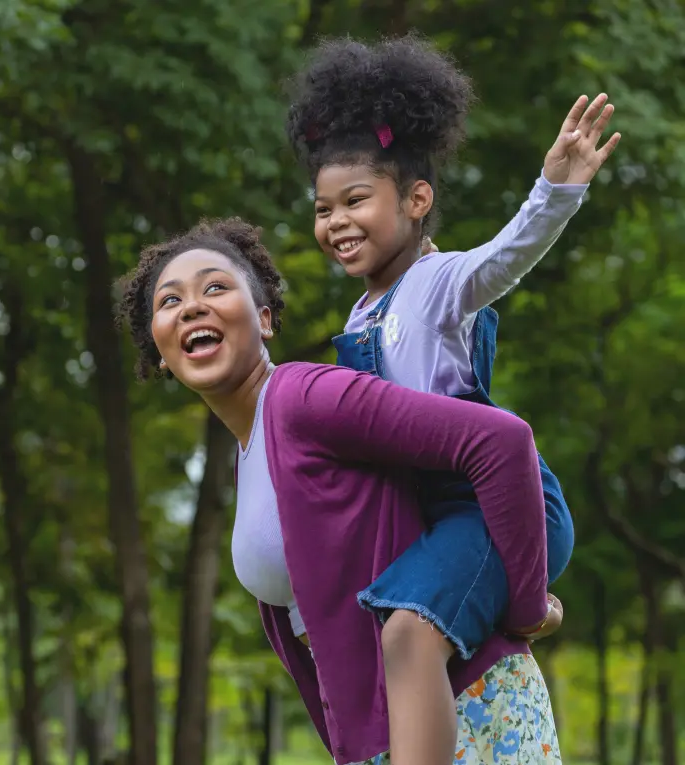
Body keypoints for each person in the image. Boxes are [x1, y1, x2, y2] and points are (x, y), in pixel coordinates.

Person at [285, 35, 620, 762]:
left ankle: (528, 604)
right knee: (383, 628)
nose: (335, 222)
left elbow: (506, 256)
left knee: (407, 630)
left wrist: (555, 189)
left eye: (354, 202)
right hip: (432, 513)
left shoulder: (438, 283)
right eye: (322, 209)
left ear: (416, 200)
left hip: (497, 504)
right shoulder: (357, 318)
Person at [117, 218, 564, 763]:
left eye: (215, 287)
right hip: (387, 734)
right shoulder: (252, 450)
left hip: (470, 708)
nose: (192, 306)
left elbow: (501, 441)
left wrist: (525, 605)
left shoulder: (305, 397)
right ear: (159, 351)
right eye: (170, 301)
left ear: (264, 320)